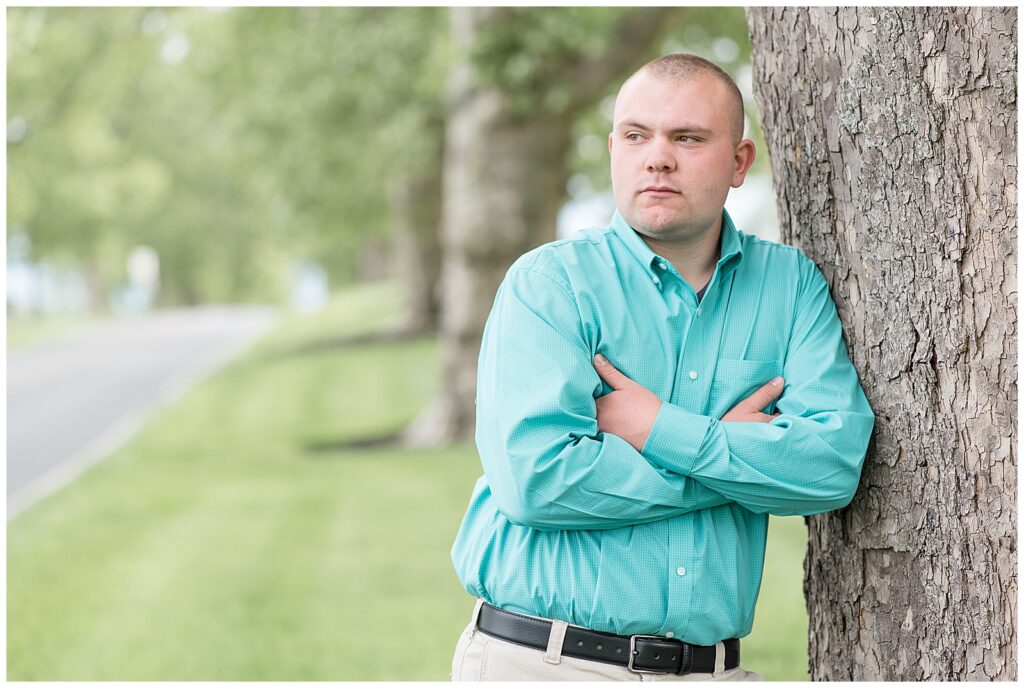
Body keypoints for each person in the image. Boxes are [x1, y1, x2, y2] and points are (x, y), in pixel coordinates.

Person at [449, 53, 874, 681]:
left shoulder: (789, 286)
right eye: (635, 135)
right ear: (615, 149)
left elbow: (832, 467)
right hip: (545, 663)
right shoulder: (551, 285)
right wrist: (733, 457)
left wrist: (653, 428)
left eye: (688, 138)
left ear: (738, 163)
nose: (657, 158)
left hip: (710, 670)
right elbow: (535, 480)